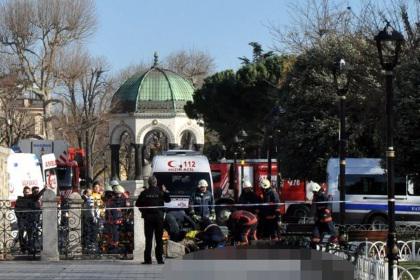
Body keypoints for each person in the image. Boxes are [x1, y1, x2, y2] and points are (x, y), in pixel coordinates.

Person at [135, 175, 171, 264]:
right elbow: (168, 200)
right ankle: (160, 259)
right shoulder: (160, 192)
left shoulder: (144, 193)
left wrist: (143, 211)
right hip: (159, 218)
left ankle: (148, 260)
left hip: (148, 218)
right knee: (159, 239)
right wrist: (165, 191)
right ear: (156, 183)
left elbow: (137, 204)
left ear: (148, 183)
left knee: (148, 239)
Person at [309, 181, 337, 247]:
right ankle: (316, 242)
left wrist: (328, 209)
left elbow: (330, 200)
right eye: (313, 192)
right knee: (316, 230)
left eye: (314, 192)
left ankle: (334, 241)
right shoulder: (316, 197)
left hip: (325, 216)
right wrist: (314, 216)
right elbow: (314, 208)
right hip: (319, 218)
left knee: (330, 227)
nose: (313, 193)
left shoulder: (324, 196)